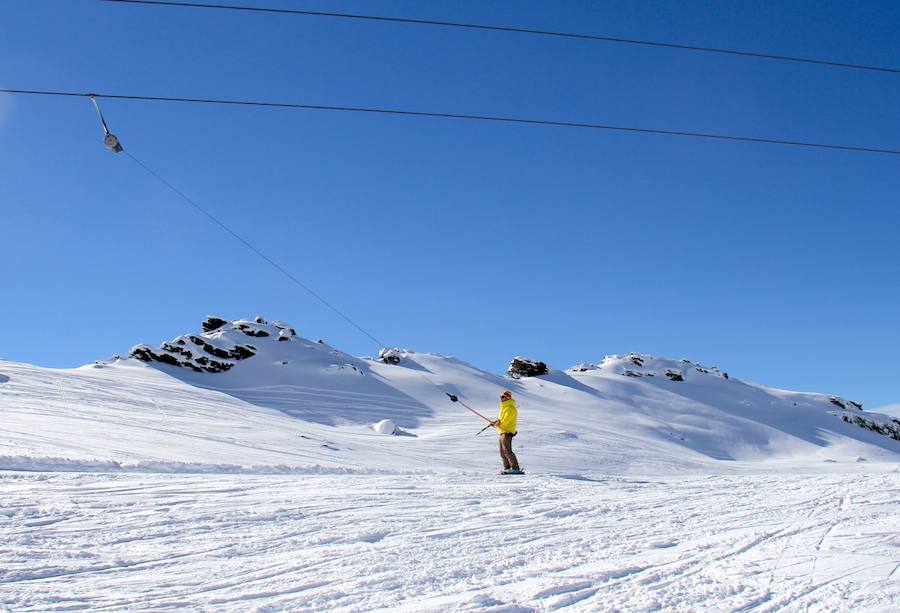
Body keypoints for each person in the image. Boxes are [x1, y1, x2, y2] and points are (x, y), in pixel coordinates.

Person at [493, 390, 522, 474]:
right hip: (502, 432)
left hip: (507, 432)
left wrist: (498, 423)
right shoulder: (504, 408)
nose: (501, 399)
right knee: (502, 453)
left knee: (507, 451)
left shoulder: (510, 408)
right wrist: (496, 422)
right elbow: (501, 420)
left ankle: (515, 468)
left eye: (503, 397)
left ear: (507, 397)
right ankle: (507, 468)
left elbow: (505, 422)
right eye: (501, 397)